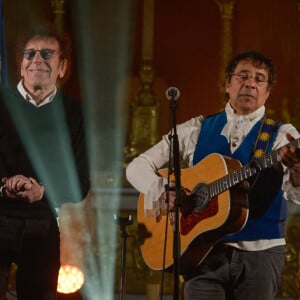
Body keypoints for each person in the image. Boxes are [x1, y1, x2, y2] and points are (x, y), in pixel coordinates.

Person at [126, 50, 300, 300]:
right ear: (228, 83)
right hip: (202, 252)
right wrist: (161, 188)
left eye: (259, 79)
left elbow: (296, 194)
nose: (250, 83)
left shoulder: (283, 135)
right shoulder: (196, 128)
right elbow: (136, 167)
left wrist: (297, 172)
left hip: (260, 254)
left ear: (268, 91)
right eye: (243, 75)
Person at [0, 24, 90, 299]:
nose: (37, 59)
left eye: (47, 54)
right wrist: (4, 186)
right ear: (21, 65)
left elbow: (81, 179)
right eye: (30, 54)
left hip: (44, 224)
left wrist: (42, 191)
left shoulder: (76, 114)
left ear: (62, 67)